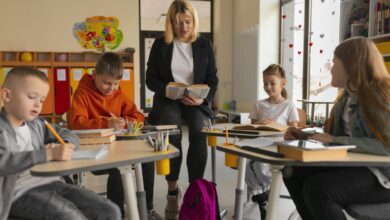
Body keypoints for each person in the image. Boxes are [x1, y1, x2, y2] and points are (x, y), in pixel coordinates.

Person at [283, 37, 390, 220]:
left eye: (334, 63)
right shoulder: (345, 100)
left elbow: (386, 147)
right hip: (361, 169)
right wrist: (307, 136)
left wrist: (334, 140)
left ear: (351, 65)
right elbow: (336, 141)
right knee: (292, 172)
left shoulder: (378, 96)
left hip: (383, 176)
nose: (330, 69)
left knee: (318, 188)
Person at [0, 66, 120, 220]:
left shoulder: (36, 124)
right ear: (6, 95)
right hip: (18, 193)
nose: (38, 105)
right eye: (31, 97)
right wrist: (46, 154)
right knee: (72, 217)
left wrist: (65, 144)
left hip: (52, 183)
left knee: (110, 210)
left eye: (42, 100)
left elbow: (68, 134)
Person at [145, 0, 218, 219]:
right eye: (178, 23)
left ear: (194, 21)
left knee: (199, 130)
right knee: (171, 130)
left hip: (195, 100)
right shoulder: (160, 45)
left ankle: (195, 190)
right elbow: (150, 79)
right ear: (171, 23)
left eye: (188, 22)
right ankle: (172, 191)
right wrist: (166, 89)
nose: (184, 27)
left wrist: (202, 100)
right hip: (169, 99)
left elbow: (212, 80)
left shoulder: (204, 45)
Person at [68, 52, 161, 219]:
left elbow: (137, 115)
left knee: (147, 160)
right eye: (106, 83)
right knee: (120, 166)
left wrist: (124, 122)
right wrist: (106, 124)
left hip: (118, 146)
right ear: (94, 75)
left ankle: (147, 209)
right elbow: (75, 123)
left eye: (116, 83)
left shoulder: (118, 94)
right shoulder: (82, 93)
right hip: (94, 150)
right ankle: (116, 213)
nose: (111, 88)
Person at [245, 64, 299, 220]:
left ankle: (263, 197)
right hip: (257, 143)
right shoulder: (258, 104)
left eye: (272, 83)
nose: (268, 87)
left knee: (260, 164)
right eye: (265, 83)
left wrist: (277, 126)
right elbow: (250, 128)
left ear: (282, 83)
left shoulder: (289, 105)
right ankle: (263, 197)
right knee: (243, 160)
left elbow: (293, 131)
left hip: (278, 147)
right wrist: (259, 124)